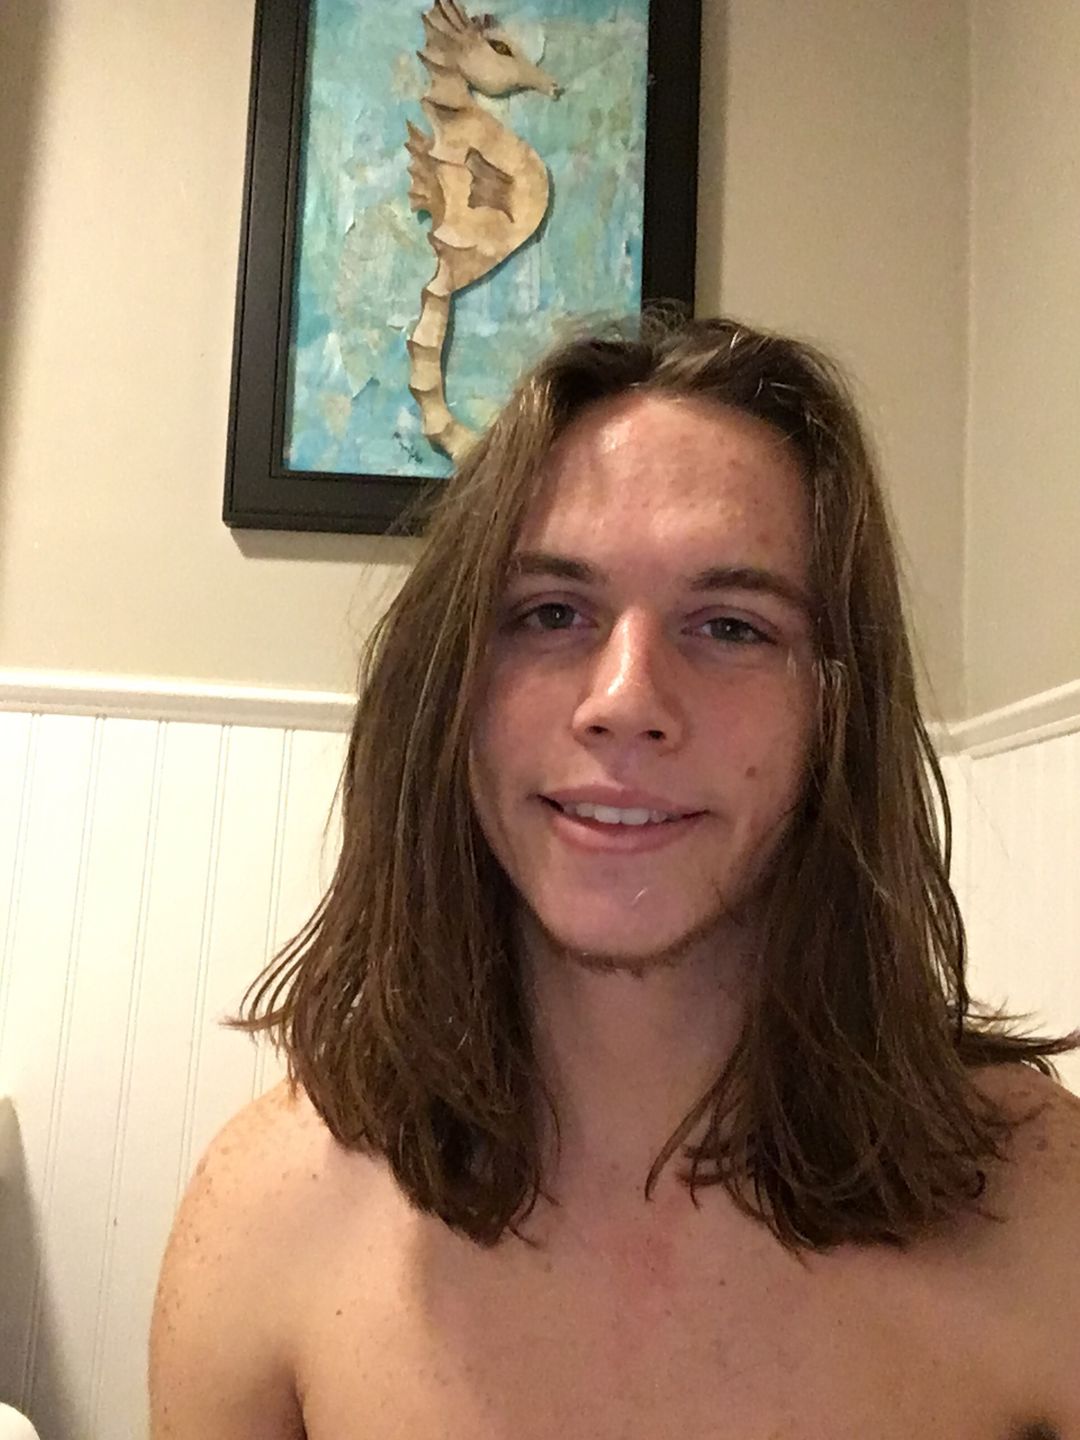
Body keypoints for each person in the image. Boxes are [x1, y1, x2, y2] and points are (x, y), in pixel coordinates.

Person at [149, 315, 1080, 1439]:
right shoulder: (262, 1216)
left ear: (836, 714)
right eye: (550, 613)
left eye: (730, 626)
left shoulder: (1044, 1209)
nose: (626, 698)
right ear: (448, 691)